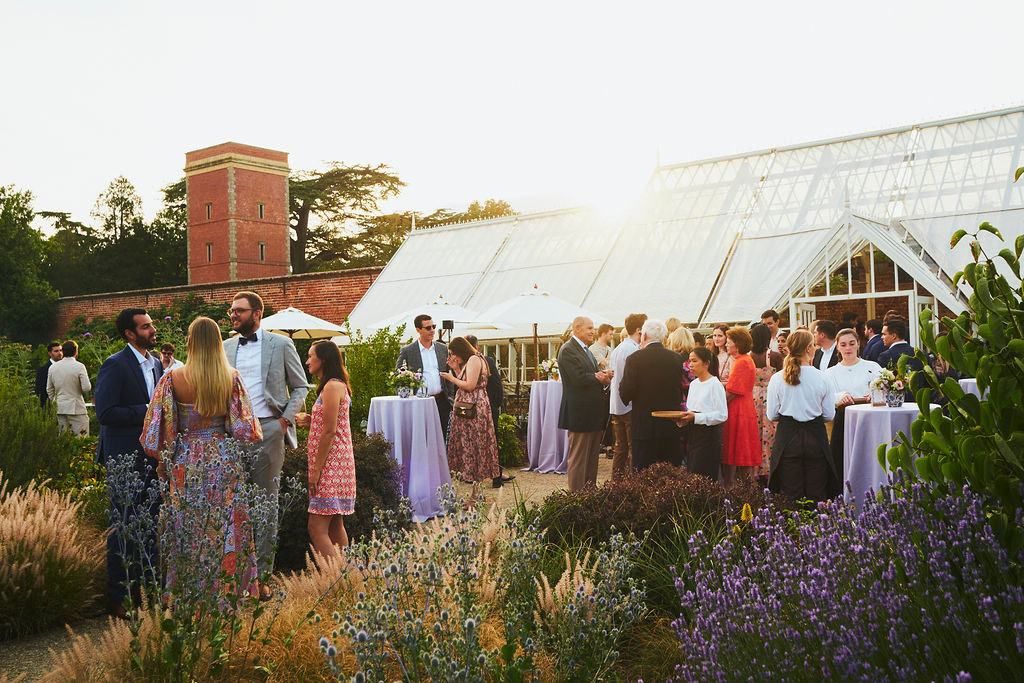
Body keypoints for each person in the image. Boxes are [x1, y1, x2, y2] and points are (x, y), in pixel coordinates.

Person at [141, 317, 263, 597]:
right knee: (226, 524)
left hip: (187, 460)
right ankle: (228, 591)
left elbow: (162, 429)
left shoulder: (172, 377)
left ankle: (189, 593)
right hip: (222, 458)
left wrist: (163, 464)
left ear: (190, 341)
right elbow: (244, 429)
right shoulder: (231, 377)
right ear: (219, 341)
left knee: (189, 526)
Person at [223, 291, 309, 590]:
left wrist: (284, 420)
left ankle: (261, 575)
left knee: (266, 503)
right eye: (231, 311)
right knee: (233, 503)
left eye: (239, 311)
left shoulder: (281, 344)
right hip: (231, 434)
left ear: (256, 313)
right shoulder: (224, 347)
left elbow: (300, 386)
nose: (233, 315)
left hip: (269, 429)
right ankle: (234, 572)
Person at [95, 307, 163, 618]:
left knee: (150, 523)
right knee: (122, 524)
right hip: (124, 457)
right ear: (129, 333)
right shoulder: (115, 364)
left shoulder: (157, 363)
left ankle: (148, 590)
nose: (152, 330)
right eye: (146, 326)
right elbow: (105, 413)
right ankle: (118, 597)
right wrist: (147, 410)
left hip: (153, 456)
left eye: (151, 325)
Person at [294, 341, 355, 558]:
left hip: (331, 465)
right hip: (336, 462)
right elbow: (333, 425)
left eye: (311, 356)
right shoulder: (335, 385)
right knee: (334, 525)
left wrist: (316, 472)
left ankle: (336, 578)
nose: (307, 361)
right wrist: (312, 421)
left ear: (324, 359)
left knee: (316, 527)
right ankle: (349, 575)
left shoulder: (331, 386)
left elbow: (329, 432)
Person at [766, 330, 836, 502]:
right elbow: (828, 414)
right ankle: (819, 527)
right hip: (815, 438)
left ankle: (794, 528)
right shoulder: (823, 377)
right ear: (808, 348)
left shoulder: (776, 378)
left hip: (788, 439)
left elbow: (772, 414)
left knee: (790, 493)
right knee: (817, 491)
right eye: (813, 344)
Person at [618, 320, 685, 470]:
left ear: (645, 335)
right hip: (670, 425)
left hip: (644, 427)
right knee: (670, 476)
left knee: (643, 475)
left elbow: (625, 393)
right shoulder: (676, 358)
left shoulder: (634, 359)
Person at [557, 316, 613, 491]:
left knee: (591, 458)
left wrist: (604, 377)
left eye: (593, 328)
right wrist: (598, 376)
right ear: (577, 328)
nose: (593, 332)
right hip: (579, 414)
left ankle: (590, 494)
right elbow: (577, 378)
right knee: (579, 458)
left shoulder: (586, 350)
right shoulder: (567, 350)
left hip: (592, 414)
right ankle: (576, 497)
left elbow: (592, 374)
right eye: (589, 328)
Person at [440, 336, 501, 496]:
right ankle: (475, 495)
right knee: (473, 449)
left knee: (475, 448)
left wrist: (451, 377)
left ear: (461, 350)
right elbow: (467, 379)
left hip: (474, 410)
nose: (453, 357)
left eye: (454, 353)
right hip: (469, 408)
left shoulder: (474, 359)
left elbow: (470, 385)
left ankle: (477, 496)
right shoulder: (472, 360)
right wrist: (456, 369)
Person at [825, 328, 882, 498]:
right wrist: (841, 396)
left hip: (869, 419)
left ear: (858, 344)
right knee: (843, 460)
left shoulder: (872, 367)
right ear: (838, 348)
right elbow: (826, 396)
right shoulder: (830, 373)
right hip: (843, 421)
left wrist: (875, 393)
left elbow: (884, 386)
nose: (848, 348)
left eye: (851, 343)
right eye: (843, 345)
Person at [396, 314, 455, 438]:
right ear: (418, 330)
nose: (432, 330)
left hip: (442, 402)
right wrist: (406, 397)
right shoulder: (408, 351)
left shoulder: (442, 348)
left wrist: (450, 397)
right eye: (428, 328)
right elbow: (398, 376)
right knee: (422, 438)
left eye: (433, 326)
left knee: (443, 437)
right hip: (419, 403)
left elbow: (449, 374)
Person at [674, 347, 727, 481]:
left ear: (706, 363)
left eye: (695, 361)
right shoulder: (694, 384)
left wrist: (696, 417)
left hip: (709, 437)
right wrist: (682, 419)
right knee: (693, 474)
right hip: (694, 435)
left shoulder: (715, 384)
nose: (690, 365)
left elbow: (722, 415)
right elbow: (690, 411)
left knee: (705, 476)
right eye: (690, 361)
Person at [608, 313, 646, 481]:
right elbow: (632, 380)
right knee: (632, 448)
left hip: (616, 405)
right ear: (639, 330)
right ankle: (632, 484)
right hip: (629, 405)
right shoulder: (632, 350)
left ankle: (616, 483)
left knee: (620, 448)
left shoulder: (618, 348)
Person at [721, 326, 759, 488]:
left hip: (738, 410)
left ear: (737, 344)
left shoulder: (741, 362)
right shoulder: (746, 360)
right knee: (744, 449)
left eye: (729, 342)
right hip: (745, 407)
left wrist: (718, 407)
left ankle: (732, 487)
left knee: (736, 448)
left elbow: (732, 392)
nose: (726, 345)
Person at [750, 323, 782, 482]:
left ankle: (754, 470)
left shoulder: (748, 357)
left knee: (755, 433)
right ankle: (770, 467)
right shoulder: (774, 356)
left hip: (753, 398)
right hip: (770, 397)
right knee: (771, 434)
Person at [47, 340, 92, 436]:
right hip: (76, 407)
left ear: (63, 351)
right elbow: (86, 388)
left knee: (63, 439)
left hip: (60, 407)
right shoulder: (79, 366)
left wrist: (55, 400)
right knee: (82, 438)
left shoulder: (53, 367)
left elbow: (49, 389)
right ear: (76, 351)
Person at [35, 342, 63, 408]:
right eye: (56, 351)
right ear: (50, 353)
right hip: (49, 406)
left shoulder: (66, 367)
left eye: (61, 350)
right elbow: (39, 390)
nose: (60, 353)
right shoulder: (43, 369)